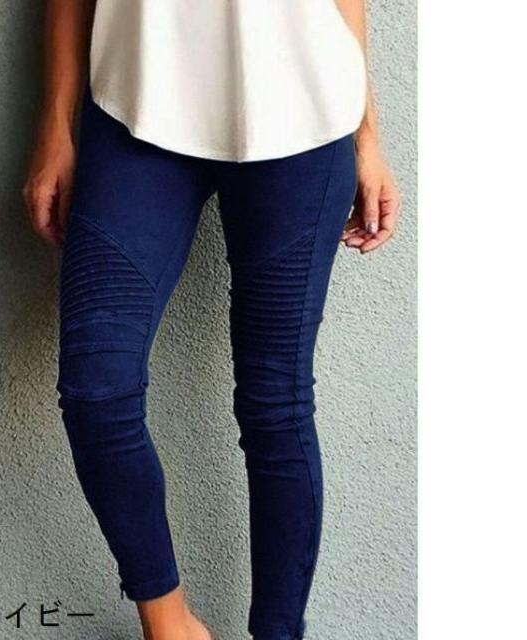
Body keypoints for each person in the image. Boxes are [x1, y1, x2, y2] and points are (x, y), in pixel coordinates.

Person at [23, 1, 400, 638]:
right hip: (135, 108)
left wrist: (367, 135)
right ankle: (170, 625)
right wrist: (56, 125)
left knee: (276, 404)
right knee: (96, 389)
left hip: (304, 118)